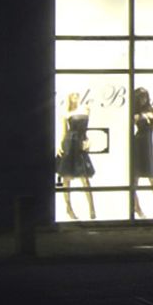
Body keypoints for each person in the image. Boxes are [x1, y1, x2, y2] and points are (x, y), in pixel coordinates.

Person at [56, 91, 95, 220]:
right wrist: (59, 145)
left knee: (85, 177)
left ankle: (92, 208)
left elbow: (86, 130)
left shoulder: (85, 109)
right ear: (69, 98)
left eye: (77, 96)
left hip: (80, 143)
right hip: (70, 143)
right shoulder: (66, 113)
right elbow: (64, 132)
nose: (76, 98)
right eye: (73, 96)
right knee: (67, 177)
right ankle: (69, 208)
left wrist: (88, 140)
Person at [130, 88, 153, 218]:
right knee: (135, 180)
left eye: (144, 97)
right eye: (140, 97)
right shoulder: (135, 114)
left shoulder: (152, 111)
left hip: (148, 145)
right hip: (138, 144)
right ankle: (137, 208)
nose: (143, 99)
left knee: (152, 178)